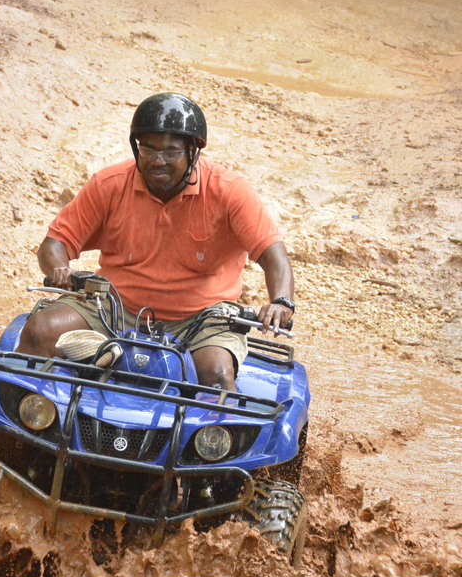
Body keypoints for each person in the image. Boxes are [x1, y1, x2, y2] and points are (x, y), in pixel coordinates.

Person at [17, 93, 295, 391]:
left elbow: (273, 255)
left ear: (193, 152)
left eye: (171, 152)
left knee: (216, 376)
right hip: (113, 305)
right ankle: (25, 425)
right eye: (147, 149)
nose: (157, 161)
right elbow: (55, 243)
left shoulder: (229, 191)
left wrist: (281, 302)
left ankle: (212, 437)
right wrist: (61, 269)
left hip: (203, 318)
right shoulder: (109, 184)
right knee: (39, 331)